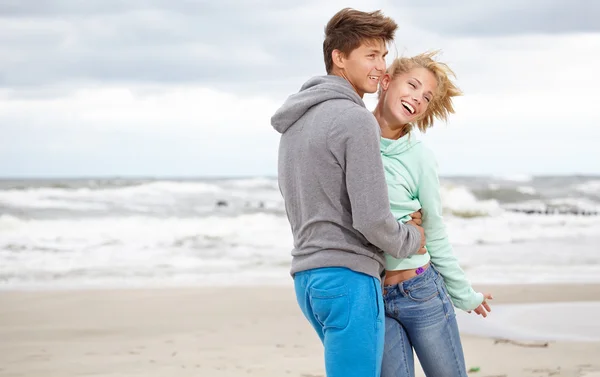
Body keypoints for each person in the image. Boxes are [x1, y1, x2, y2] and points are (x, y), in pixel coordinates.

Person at [271, 8, 426, 377]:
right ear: (339, 57)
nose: (381, 67)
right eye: (371, 55)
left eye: (384, 56)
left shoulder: (295, 122)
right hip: (349, 280)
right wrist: (412, 237)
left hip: (308, 282)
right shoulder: (355, 118)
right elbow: (372, 219)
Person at [372, 51, 493, 377]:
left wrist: (464, 293)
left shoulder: (420, 157)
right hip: (372, 296)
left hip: (420, 292)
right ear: (386, 81)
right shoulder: (354, 141)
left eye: (426, 97)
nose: (417, 98)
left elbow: (434, 230)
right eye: (412, 85)